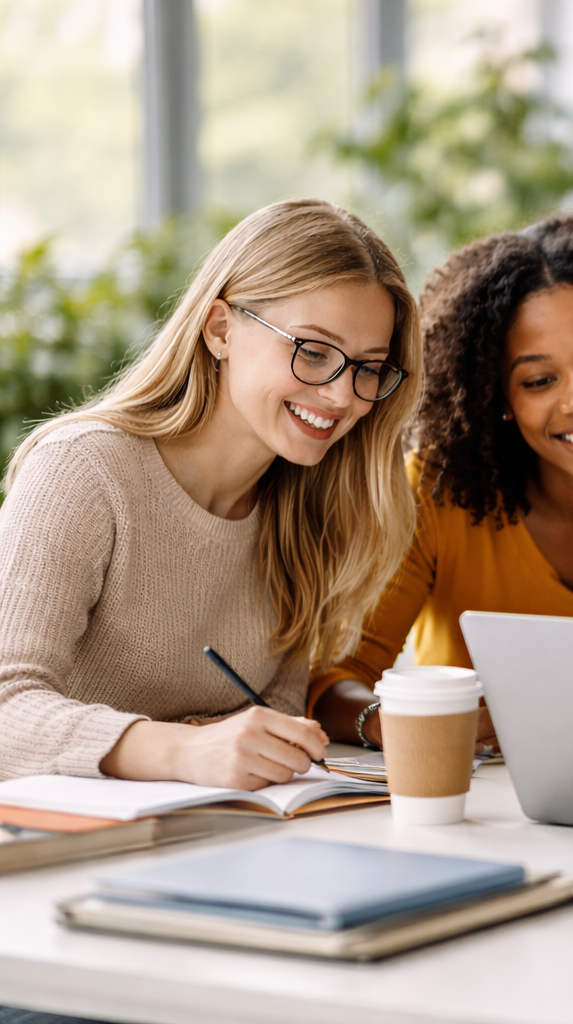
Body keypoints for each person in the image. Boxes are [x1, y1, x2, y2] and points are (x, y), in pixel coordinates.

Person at [0, 198, 421, 788]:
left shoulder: (305, 508)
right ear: (221, 329)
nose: (343, 396)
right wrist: (180, 750)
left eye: (367, 366)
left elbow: (268, 717)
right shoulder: (84, 472)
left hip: (203, 833)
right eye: (313, 351)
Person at [309, 215, 573, 750]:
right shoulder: (434, 492)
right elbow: (332, 678)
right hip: (472, 808)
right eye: (539, 380)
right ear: (498, 398)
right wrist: (410, 725)